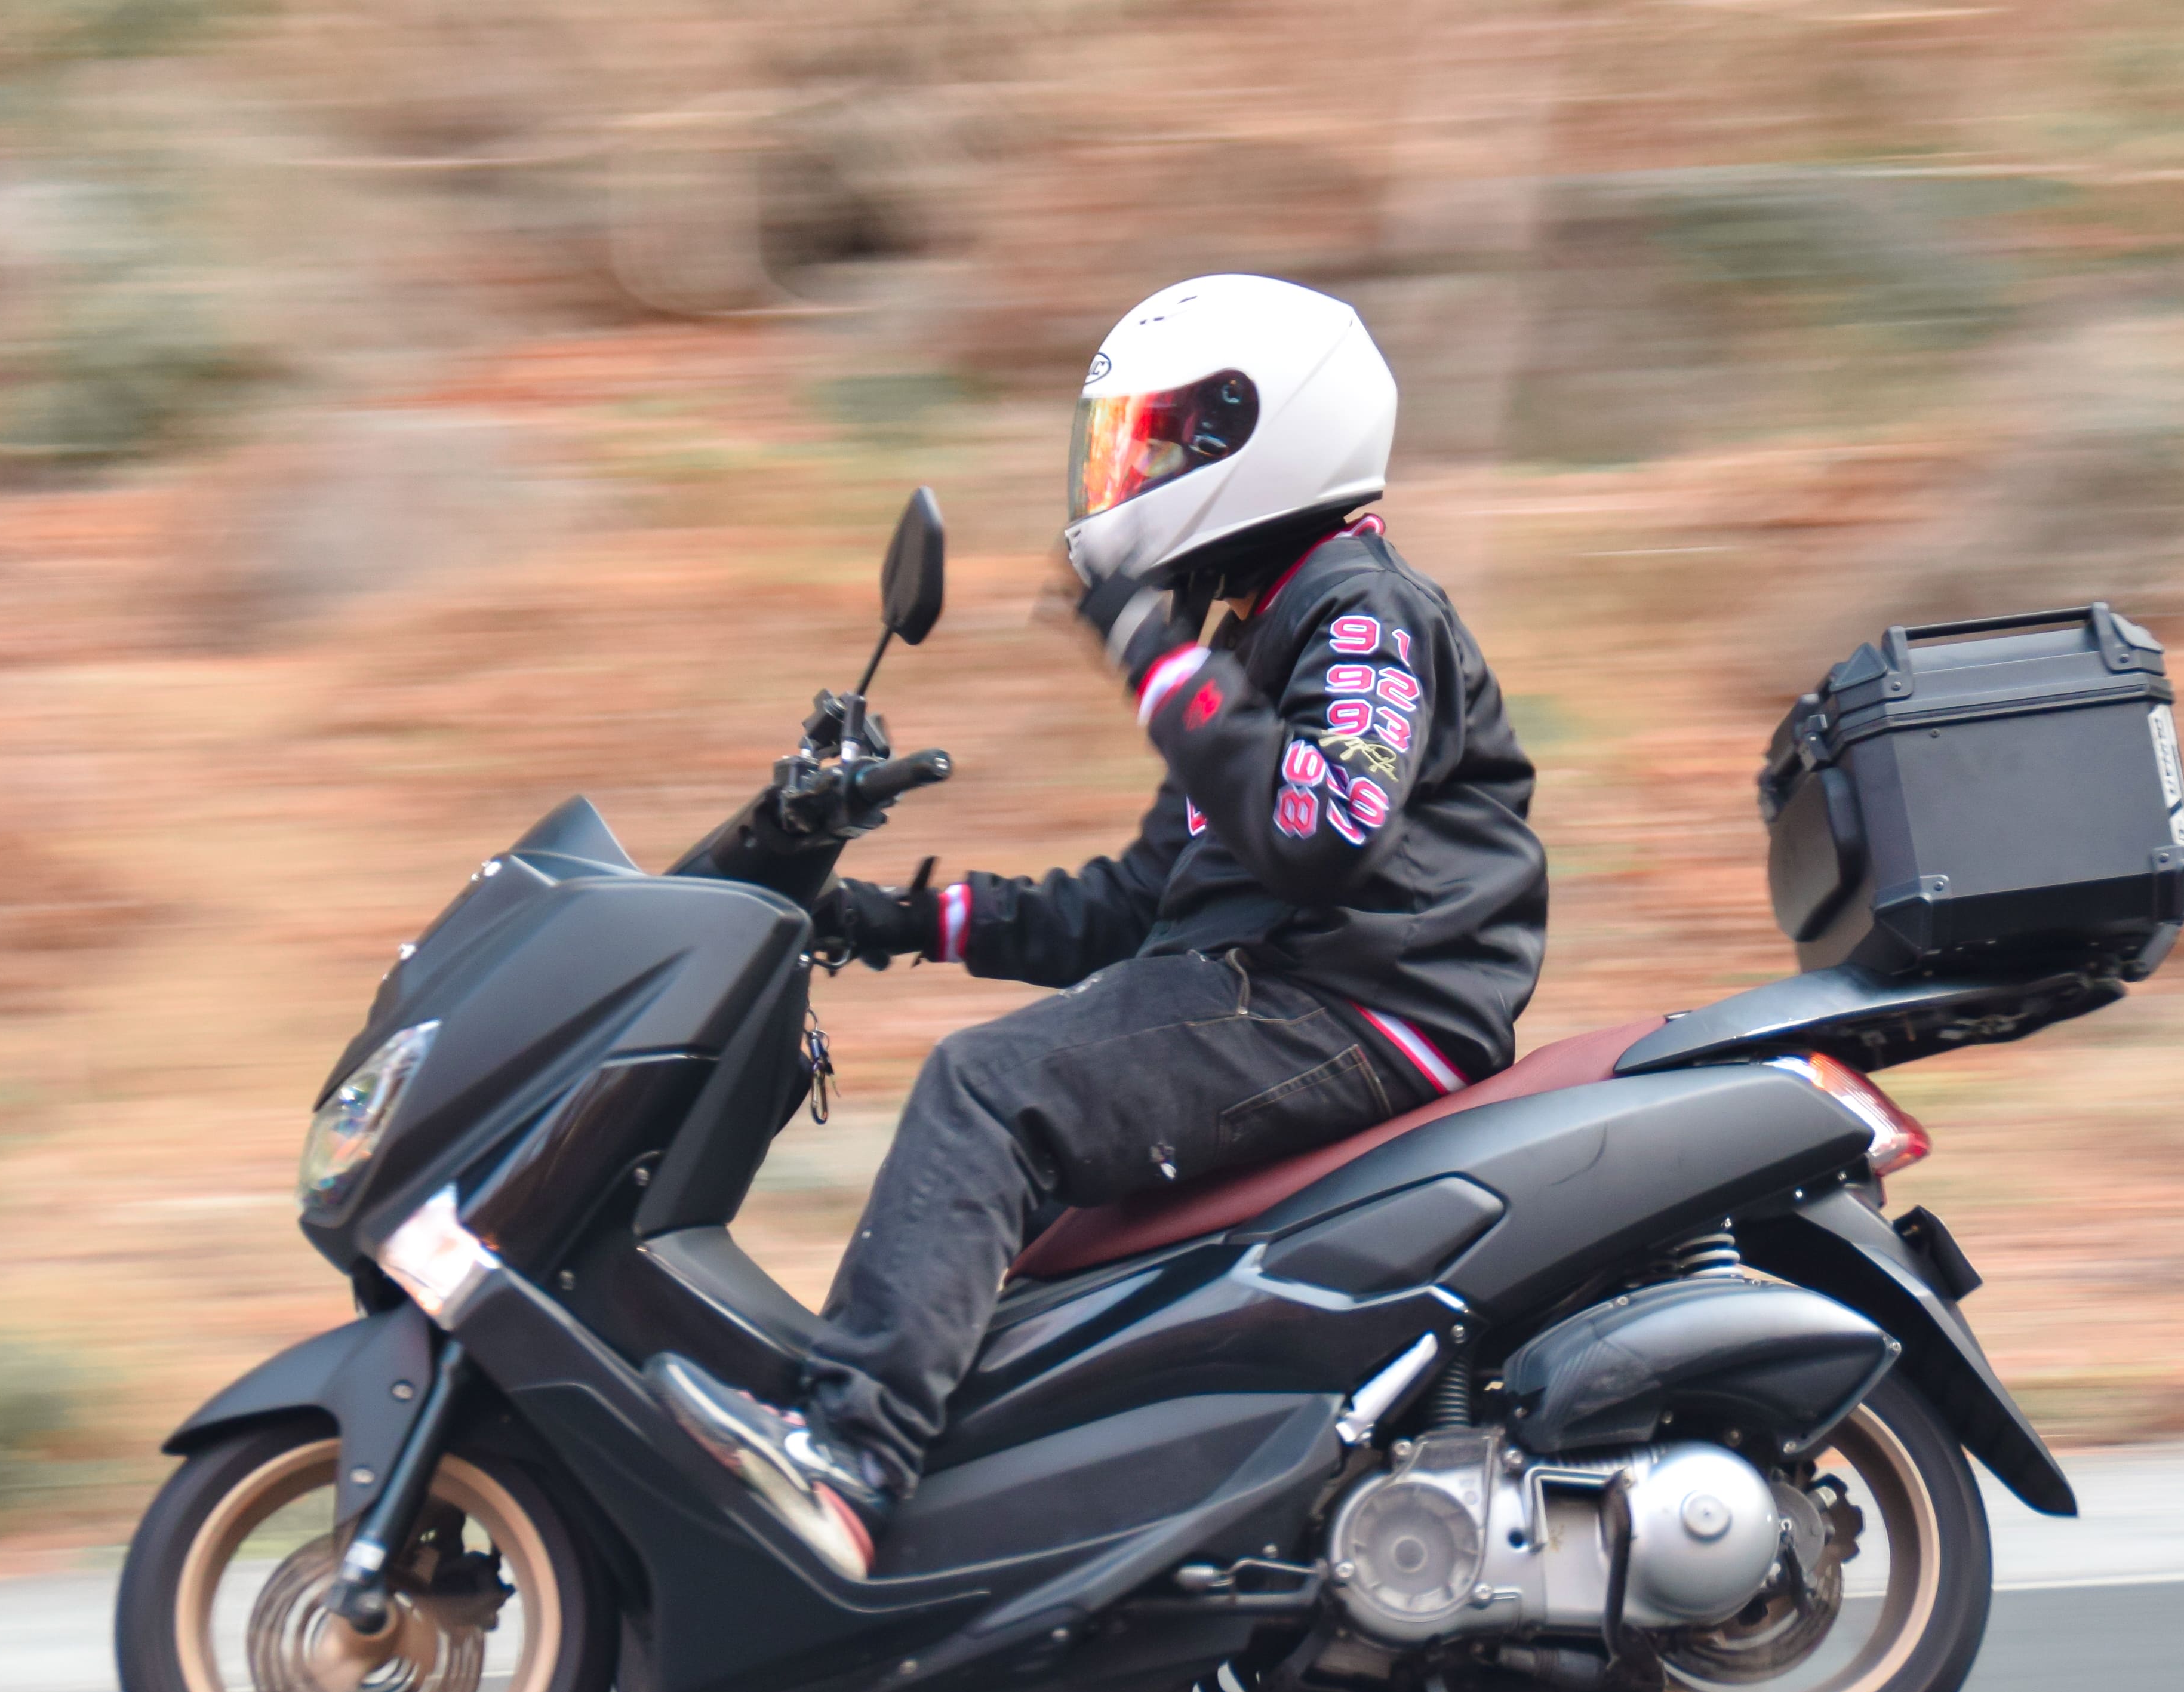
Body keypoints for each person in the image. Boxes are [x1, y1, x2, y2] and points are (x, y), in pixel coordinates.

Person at [651, 274, 1548, 1576]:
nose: (1125, 479)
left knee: (987, 1089)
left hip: (1363, 1001)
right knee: (1007, 1090)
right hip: (1282, 985)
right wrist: (905, 920)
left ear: (1264, 435)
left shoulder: (1362, 609)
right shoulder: (1252, 638)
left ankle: (851, 1451)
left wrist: (1154, 658)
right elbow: (1141, 906)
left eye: (1159, 444)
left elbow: (1324, 828)